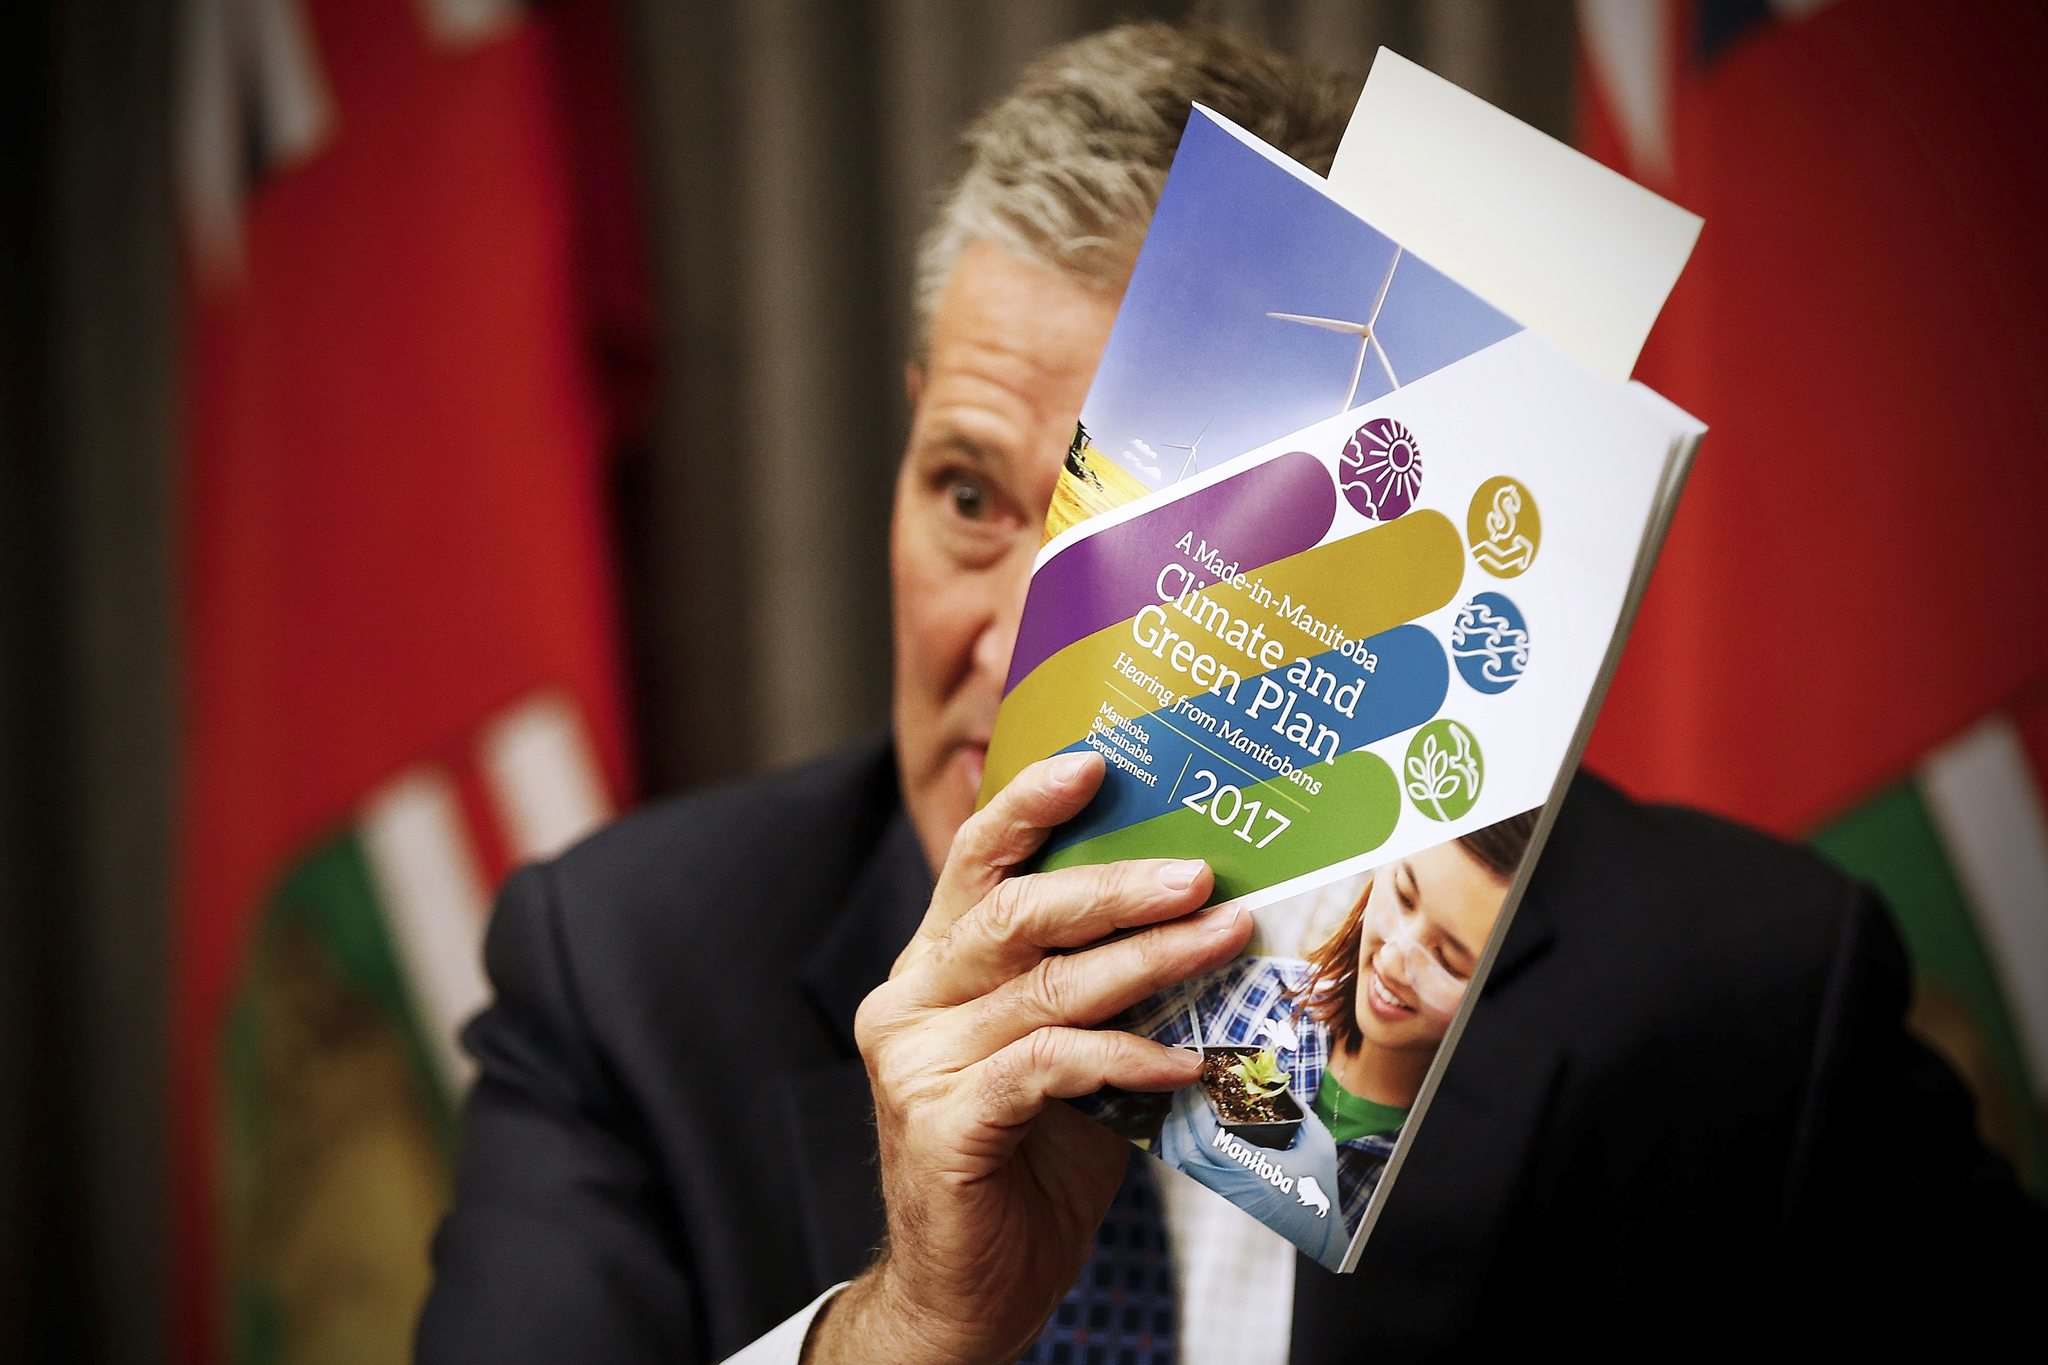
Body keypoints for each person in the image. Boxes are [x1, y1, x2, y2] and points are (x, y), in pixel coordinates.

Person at [415, 21, 2044, 1364]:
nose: (1008, 648)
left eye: (1135, 548)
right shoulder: (622, 972)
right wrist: (910, 1327)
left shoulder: (1746, 995)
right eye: (971, 499)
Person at [1107, 813, 1539, 1271]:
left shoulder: (1464, 1173)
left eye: (1448, 960)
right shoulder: (1247, 997)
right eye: (1405, 897)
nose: (1393, 960)